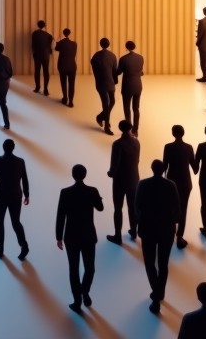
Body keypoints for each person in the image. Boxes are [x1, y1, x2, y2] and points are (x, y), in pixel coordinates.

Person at [55, 163, 103, 313]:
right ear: (85, 175)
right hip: (88, 234)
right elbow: (100, 208)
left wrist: (58, 236)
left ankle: (77, 300)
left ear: (73, 175)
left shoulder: (65, 192)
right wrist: (98, 197)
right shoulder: (92, 191)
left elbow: (60, 215)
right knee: (90, 268)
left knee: (73, 269)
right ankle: (85, 291)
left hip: (71, 235)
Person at [135, 158, 180, 314]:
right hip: (166, 230)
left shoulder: (143, 184)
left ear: (152, 168)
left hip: (148, 229)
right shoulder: (171, 185)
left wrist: (141, 223)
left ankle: (156, 293)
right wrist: (172, 223)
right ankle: (159, 293)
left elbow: (137, 207)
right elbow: (177, 208)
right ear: (163, 169)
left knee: (149, 263)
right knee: (163, 264)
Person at [0, 138, 30, 260]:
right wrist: (27, 194)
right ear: (13, 148)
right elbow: (24, 179)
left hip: (1, 195)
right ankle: (24, 245)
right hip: (16, 195)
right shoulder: (20, 161)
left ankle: (0, 249)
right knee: (16, 222)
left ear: (3, 148)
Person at [162, 124, 198, 249]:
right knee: (183, 209)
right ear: (183, 133)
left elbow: (165, 166)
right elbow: (195, 169)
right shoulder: (189, 148)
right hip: (185, 183)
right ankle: (179, 237)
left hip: (171, 182)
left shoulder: (168, 147)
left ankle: (169, 234)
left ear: (173, 133)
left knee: (170, 208)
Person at [106, 119, 140, 245]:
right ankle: (133, 230)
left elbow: (114, 166)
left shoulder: (117, 144)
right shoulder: (137, 142)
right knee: (132, 206)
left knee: (118, 208)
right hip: (134, 178)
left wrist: (110, 173)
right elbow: (137, 160)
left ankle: (118, 235)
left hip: (120, 180)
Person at [90, 37, 117, 134]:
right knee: (110, 102)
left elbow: (94, 70)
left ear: (100, 44)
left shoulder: (96, 55)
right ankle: (106, 126)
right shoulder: (113, 56)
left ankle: (101, 117)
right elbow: (114, 70)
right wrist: (115, 81)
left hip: (101, 82)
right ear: (108, 44)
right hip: (109, 82)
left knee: (107, 104)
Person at [117, 40, 144, 135]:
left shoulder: (123, 59)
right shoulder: (141, 58)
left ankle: (128, 129)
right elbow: (140, 71)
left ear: (126, 47)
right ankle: (135, 130)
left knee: (127, 108)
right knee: (136, 108)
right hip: (138, 85)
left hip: (127, 86)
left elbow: (118, 72)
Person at [55, 27, 77, 107]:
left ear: (63, 34)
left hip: (62, 65)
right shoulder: (74, 43)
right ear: (69, 33)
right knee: (72, 84)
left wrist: (57, 42)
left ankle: (65, 98)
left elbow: (56, 49)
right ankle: (71, 102)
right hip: (72, 65)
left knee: (63, 82)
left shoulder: (61, 43)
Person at [31, 19, 53, 95]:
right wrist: (50, 52)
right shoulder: (49, 35)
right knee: (46, 72)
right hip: (46, 55)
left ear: (38, 25)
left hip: (37, 55)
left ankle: (37, 87)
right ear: (45, 26)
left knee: (37, 71)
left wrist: (33, 52)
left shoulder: (34, 34)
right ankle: (46, 89)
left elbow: (33, 44)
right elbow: (50, 46)